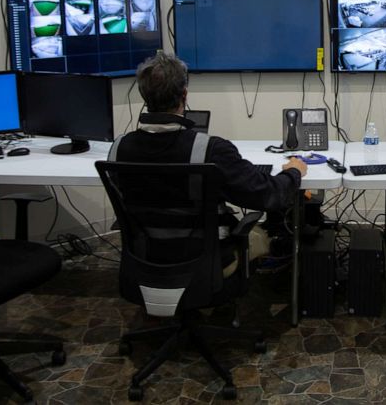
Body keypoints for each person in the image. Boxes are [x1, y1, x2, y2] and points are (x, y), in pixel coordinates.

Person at [110, 51, 307, 272]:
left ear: (144, 95)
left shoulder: (119, 149)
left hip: (144, 256)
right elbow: (267, 195)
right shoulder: (211, 151)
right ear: (184, 95)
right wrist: (293, 172)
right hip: (205, 260)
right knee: (264, 236)